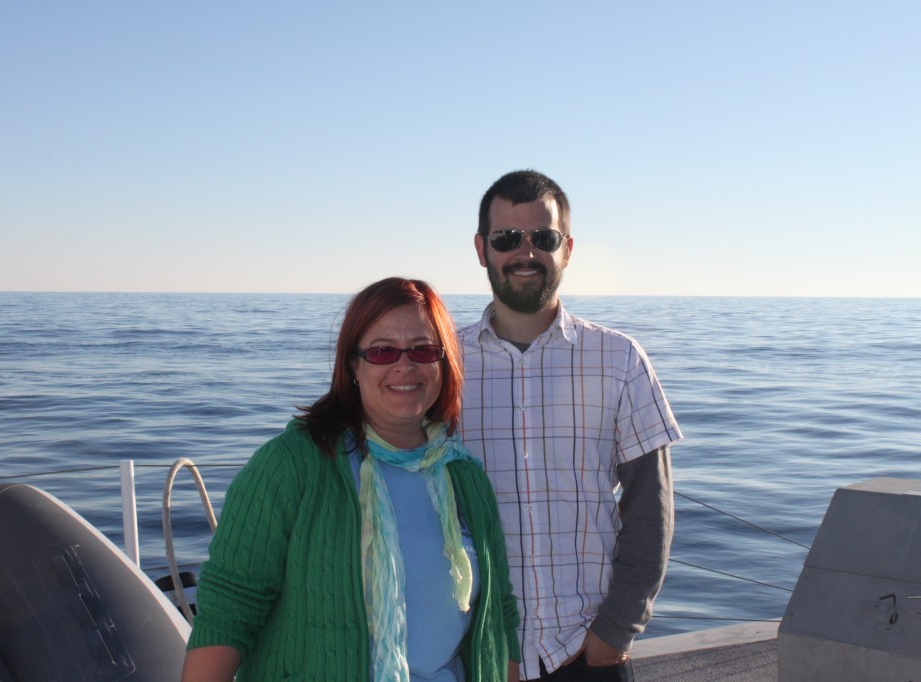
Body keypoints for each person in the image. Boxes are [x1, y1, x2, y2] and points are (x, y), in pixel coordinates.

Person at [182, 277, 521, 682]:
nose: (404, 365)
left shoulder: (463, 475)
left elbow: (498, 617)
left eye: (423, 349)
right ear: (353, 365)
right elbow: (229, 609)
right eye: (382, 351)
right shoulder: (291, 466)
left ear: (443, 362)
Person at [457, 170, 683, 681]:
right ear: (482, 249)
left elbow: (651, 508)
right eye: (506, 238)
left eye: (544, 237)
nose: (526, 252)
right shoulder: (444, 365)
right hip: (478, 654)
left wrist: (617, 630)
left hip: (587, 651)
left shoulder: (620, 359)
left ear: (568, 249)